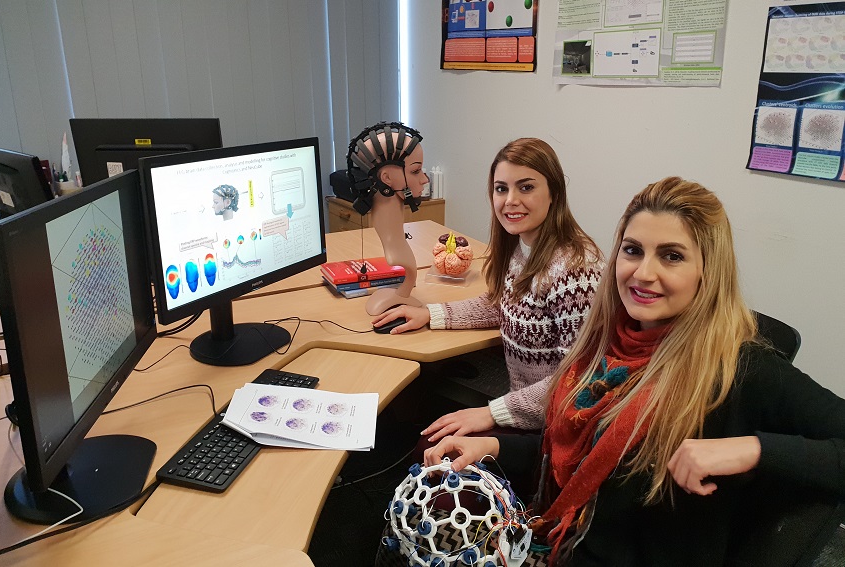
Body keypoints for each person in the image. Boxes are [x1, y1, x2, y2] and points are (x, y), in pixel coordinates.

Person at [423, 176, 845, 566]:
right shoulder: (611, 343)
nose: (644, 273)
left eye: (672, 256)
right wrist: (493, 447)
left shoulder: (740, 368)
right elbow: (582, 460)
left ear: (708, 272)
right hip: (562, 537)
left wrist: (752, 449)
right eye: (633, 250)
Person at [373, 138, 603, 435]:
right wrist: (431, 314)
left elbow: (576, 380)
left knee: (427, 438)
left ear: (554, 193)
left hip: (553, 429)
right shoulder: (524, 248)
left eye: (527, 187)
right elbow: (502, 304)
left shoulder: (576, 273)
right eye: (501, 188)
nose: (510, 201)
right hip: (523, 405)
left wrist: (493, 413)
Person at [347, 122, 429, 315]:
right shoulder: (398, 254)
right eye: (416, 171)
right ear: (387, 178)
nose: (425, 179)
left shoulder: (397, 245)